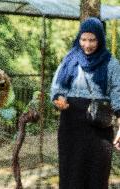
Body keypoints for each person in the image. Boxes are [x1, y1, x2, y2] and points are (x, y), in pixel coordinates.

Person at [51, 17, 120, 189]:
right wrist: (58, 99)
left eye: (92, 40)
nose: (87, 45)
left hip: (99, 128)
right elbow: (57, 88)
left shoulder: (112, 64)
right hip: (71, 127)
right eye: (83, 39)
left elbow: (118, 96)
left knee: (97, 175)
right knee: (70, 174)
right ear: (78, 38)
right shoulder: (69, 60)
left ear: (100, 39)